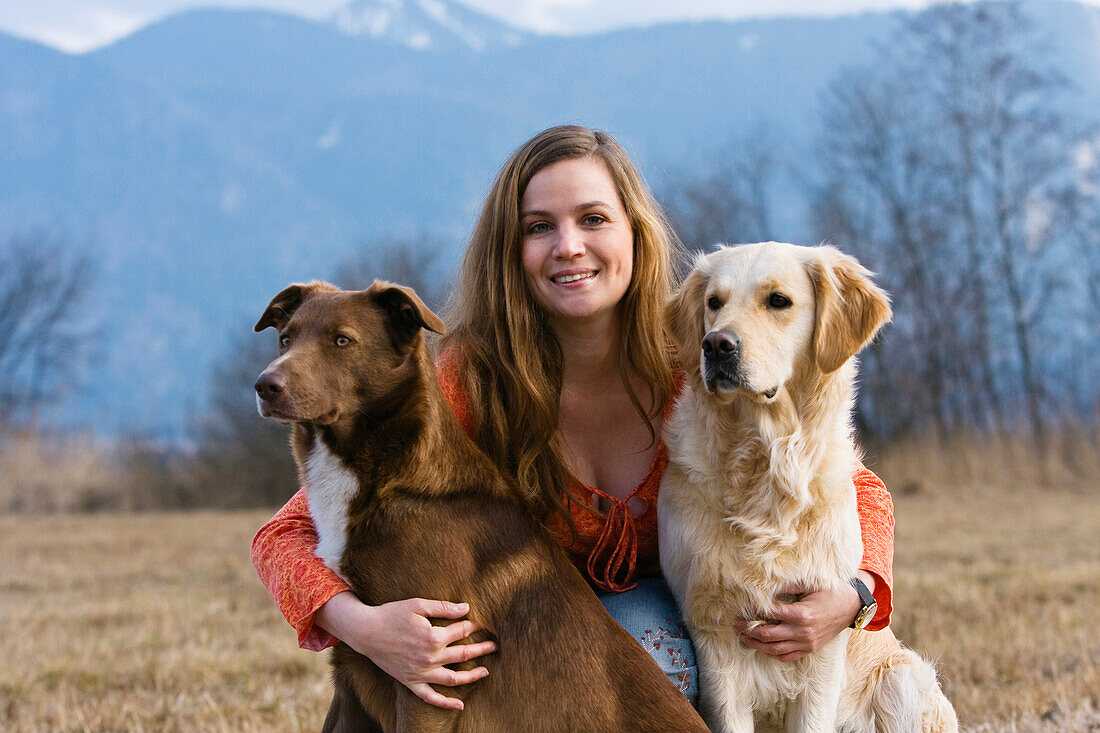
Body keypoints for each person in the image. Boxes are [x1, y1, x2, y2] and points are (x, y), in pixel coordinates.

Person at [251, 125, 895, 712]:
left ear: (633, 232)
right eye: (538, 228)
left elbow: (852, 487)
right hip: (530, 641)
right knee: (632, 649)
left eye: (593, 219)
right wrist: (365, 627)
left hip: (682, 625)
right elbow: (284, 535)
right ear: (512, 250)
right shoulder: (467, 385)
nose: (568, 247)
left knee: (655, 646)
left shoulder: (697, 362)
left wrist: (856, 595)